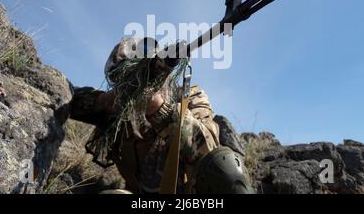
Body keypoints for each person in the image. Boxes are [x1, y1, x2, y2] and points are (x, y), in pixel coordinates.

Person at [68, 38, 253, 194]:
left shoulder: (190, 97)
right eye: (123, 78)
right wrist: (103, 102)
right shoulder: (113, 106)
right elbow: (67, 100)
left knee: (227, 167)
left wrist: (161, 110)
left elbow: (210, 150)